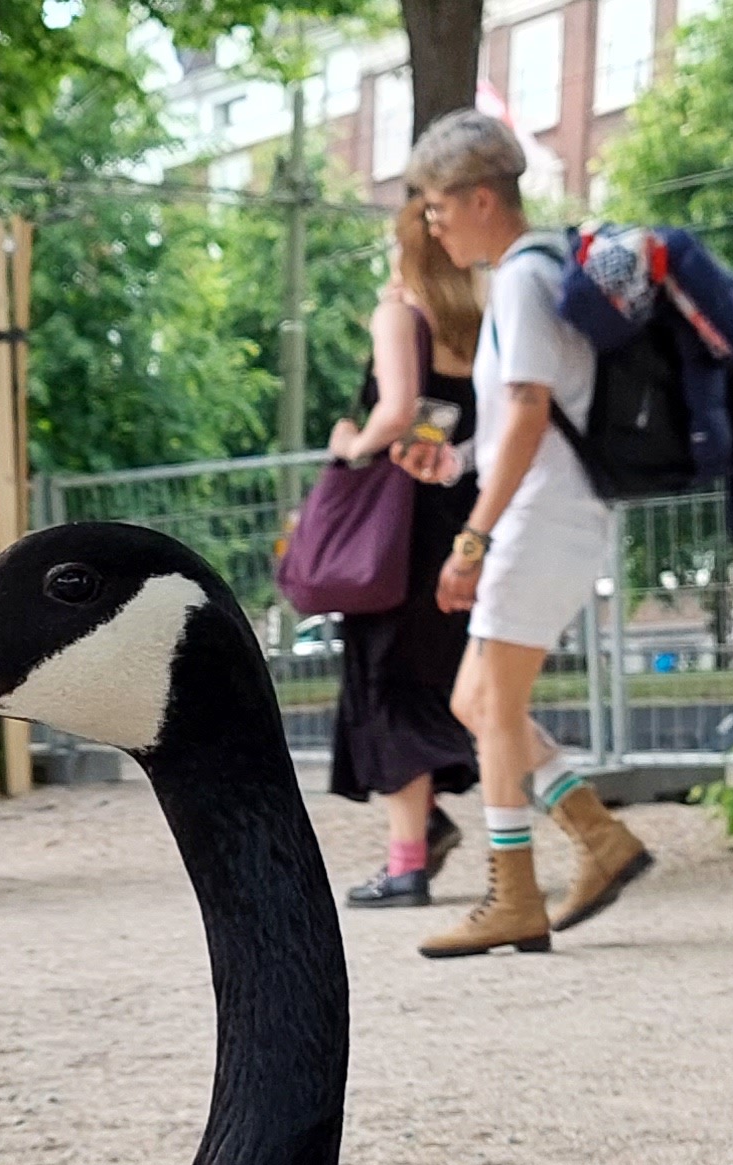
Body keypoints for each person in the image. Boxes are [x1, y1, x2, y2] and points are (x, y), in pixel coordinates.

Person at [406, 111, 656, 960]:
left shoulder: (519, 279)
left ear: (482, 198)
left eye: (437, 204)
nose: (431, 223)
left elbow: (529, 408)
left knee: (495, 706)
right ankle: (600, 840)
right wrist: (460, 461)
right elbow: (534, 416)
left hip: (541, 518)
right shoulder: (532, 274)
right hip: (551, 508)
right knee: (474, 702)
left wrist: (471, 536)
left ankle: (513, 895)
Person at [323, 202, 487, 908]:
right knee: (426, 685)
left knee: (384, 686)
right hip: (455, 521)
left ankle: (406, 865)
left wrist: (347, 450)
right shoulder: (476, 323)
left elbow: (395, 416)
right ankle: (424, 836)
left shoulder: (400, 316)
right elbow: (444, 421)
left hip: (394, 535)